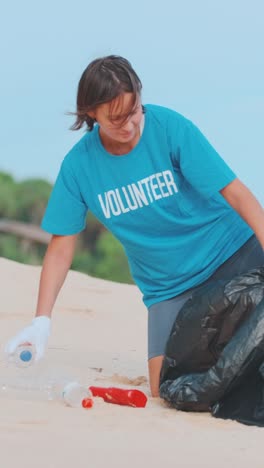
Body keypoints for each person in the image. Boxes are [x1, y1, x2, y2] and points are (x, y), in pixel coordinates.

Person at [5, 55, 264, 397]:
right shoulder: (79, 168)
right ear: (91, 114)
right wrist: (41, 321)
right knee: (163, 389)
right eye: (116, 119)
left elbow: (237, 195)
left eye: (134, 111)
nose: (129, 125)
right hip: (169, 288)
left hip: (231, 250)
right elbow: (61, 247)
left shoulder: (171, 129)